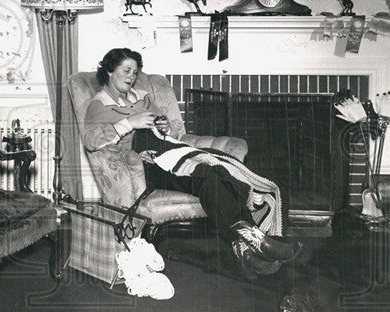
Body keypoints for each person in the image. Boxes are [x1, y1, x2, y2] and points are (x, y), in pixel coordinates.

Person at [82, 48, 301, 277]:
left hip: (170, 157)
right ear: (109, 70)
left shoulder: (141, 96)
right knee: (206, 174)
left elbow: (169, 127)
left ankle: (248, 250)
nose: (131, 76)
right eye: (126, 71)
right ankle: (257, 240)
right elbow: (90, 140)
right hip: (145, 167)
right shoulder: (100, 104)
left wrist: (163, 126)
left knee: (213, 174)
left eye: (135, 72)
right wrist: (130, 123)